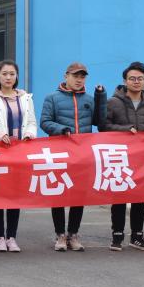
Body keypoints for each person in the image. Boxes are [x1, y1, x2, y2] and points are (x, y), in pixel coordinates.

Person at [40, 62, 106, 252]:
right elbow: (45, 122)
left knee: (79, 194)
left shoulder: (89, 99)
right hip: (59, 153)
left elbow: (100, 123)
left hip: (82, 154)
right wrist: (61, 129)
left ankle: (73, 234)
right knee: (58, 194)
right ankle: (60, 234)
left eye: (82, 76)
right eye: (75, 76)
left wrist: (101, 98)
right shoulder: (52, 98)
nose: (79, 80)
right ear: (66, 76)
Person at [0, 60, 37, 253]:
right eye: (5, 74)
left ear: (16, 76)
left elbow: (31, 122)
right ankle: (0, 237)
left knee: (14, 195)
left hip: (19, 153)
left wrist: (30, 134)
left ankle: (12, 237)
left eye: (12, 74)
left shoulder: (25, 98)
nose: (8, 77)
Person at [104, 62, 144, 252]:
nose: (136, 82)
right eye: (132, 78)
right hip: (120, 157)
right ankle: (117, 235)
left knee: (140, 197)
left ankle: (137, 235)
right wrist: (125, 129)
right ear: (125, 81)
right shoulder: (113, 102)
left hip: (142, 159)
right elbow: (104, 126)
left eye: (140, 79)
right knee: (119, 196)